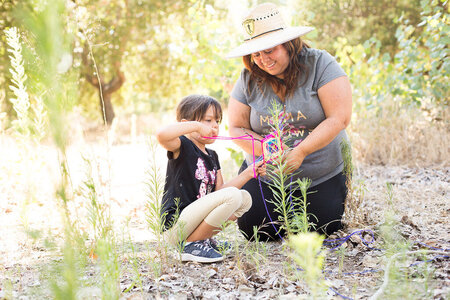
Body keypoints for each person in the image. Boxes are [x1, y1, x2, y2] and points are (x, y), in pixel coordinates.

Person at [226, 3, 352, 241]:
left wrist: (301, 151)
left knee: (321, 229)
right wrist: (265, 148)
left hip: (320, 173)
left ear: (288, 44)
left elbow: (339, 117)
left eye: (269, 50)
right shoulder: (248, 78)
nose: (263, 60)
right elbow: (236, 127)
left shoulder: (320, 64)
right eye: (256, 54)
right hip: (266, 174)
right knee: (254, 231)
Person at [156, 94, 266, 263]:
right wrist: (196, 126)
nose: (215, 125)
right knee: (234, 195)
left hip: (194, 221)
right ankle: (189, 244)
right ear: (186, 125)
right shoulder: (182, 146)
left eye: (217, 121)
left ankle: (199, 239)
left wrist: (248, 173)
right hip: (176, 225)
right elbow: (162, 135)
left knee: (244, 198)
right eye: (208, 120)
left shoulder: (212, 156)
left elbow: (220, 193)